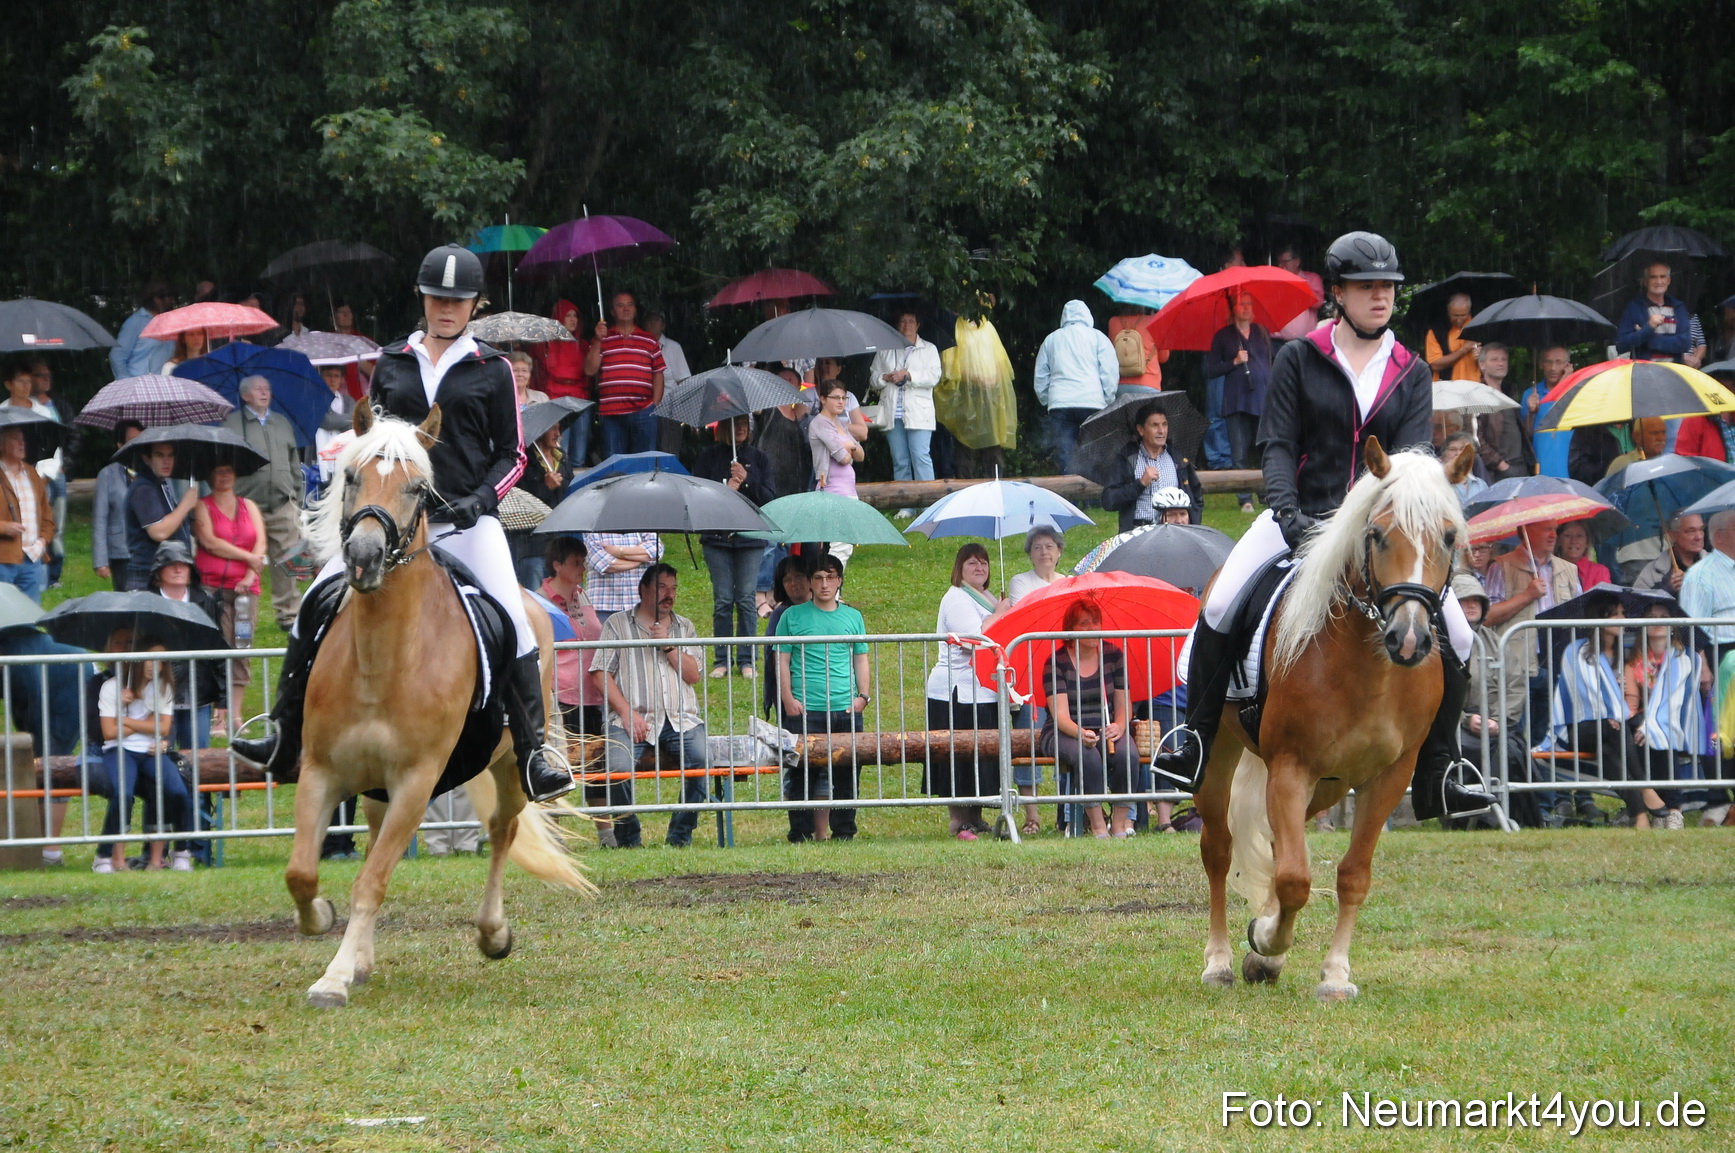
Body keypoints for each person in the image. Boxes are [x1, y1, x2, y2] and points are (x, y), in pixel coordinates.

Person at [1153, 231, 1485, 820]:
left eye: (1387, 287)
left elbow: (1409, 463)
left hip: (1382, 533)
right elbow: (1278, 445)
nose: (1380, 297)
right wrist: (1285, 512)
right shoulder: (1298, 357)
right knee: (1221, 604)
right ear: (1338, 294)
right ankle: (1195, 741)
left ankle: (1443, 769)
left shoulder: (1410, 370)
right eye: (1366, 287)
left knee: (1458, 637)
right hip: (1300, 515)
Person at [233, 244, 576, 805]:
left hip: (464, 520)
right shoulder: (391, 361)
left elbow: (514, 454)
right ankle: (281, 728)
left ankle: (535, 752)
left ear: (473, 306)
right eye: (438, 299)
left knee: (512, 617)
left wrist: (481, 500)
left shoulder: (491, 369)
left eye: (458, 301)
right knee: (318, 596)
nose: (446, 309)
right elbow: (368, 441)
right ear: (423, 299)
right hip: (390, 522)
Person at [590, 563, 709, 848]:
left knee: (703, 763)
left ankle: (680, 835)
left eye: (674, 588)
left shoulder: (685, 627)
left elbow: (693, 674)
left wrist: (668, 646)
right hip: (632, 719)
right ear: (643, 590)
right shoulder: (617, 624)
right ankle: (629, 839)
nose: (670, 595)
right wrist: (626, 713)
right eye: (662, 588)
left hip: (681, 719)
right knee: (618, 770)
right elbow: (599, 674)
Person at [1483, 518, 1585, 816]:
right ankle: (1519, 805)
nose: (1554, 535)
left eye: (1555, 529)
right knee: (1516, 735)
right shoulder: (1500, 566)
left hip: (1555, 665)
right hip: (1517, 669)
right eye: (1546, 529)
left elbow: (1580, 615)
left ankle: (1547, 803)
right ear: (1523, 532)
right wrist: (1526, 596)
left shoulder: (1569, 569)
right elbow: (1486, 616)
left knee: (1550, 737)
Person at [775, 555, 870, 841]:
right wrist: (788, 699)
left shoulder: (853, 617)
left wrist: (863, 696)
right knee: (802, 774)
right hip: (805, 709)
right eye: (818, 577)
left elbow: (861, 659)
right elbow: (781, 661)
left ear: (840, 580)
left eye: (830, 577)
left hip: (845, 707)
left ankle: (844, 831)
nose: (824, 583)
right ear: (811, 582)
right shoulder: (791, 617)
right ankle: (800, 833)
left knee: (848, 773)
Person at [1548, 600, 1657, 827]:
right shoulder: (1575, 650)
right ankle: (1645, 786)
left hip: (1614, 729)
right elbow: (1580, 696)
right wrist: (1607, 710)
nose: (1622, 620)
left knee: (1609, 747)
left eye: (1623, 613)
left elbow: (1628, 700)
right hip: (1578, 727)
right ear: (1598, 619)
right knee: (1609, 725)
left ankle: (1639, 815)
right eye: (1614, 614)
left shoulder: (1624, 654)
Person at [924, 544, 1007, 840]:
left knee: (980, 757)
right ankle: (958, 821)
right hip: (955, 691)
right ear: (959, 568)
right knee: (956, 756)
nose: (979, 568)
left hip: (982, 690)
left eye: (984, 563)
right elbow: (973, 640)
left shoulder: (985, 598)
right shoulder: (957, 598)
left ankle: (976, 817)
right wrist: (999, 614)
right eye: (972, 563)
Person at [1040, 599, 1138, 837]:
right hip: (1064, 730)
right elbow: (1060, 715)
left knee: (1129, 754)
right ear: (1071, 629)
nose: (1093, 628)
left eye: (1096, 622)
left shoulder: (1113, 654)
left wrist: (1120, 725)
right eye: (1084, 623)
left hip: (1106, 726)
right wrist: (1080, 733)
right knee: (1088, 756)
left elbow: (1124, 704)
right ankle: (1097, 826)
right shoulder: (1056, 662)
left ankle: (1119, 824)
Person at [692, 415, 777, 678]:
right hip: (717, 537)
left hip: (750, 537)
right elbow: (697, 496)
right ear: (722, 428)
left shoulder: (759, 458)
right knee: (723, 599)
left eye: (744, 424)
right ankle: (721, 659)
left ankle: (747, 658)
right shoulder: (708, 457)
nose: (741, 428)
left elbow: (770, 499)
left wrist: (747, 480)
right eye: (734, 424)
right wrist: (725, 488)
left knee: (746, 599)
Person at [92, 642, 188, 873]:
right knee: (122, 795)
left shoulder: (163, 687)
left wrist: (124, 720)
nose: (154, 665)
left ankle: (181, 851)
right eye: (149, 658)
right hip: (120, 749)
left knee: (178, 791)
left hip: (150, 751)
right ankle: (104, 856)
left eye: (161, 660)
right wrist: (147, 724)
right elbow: (109, 732)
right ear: (136, 659)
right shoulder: (111, 687)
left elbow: (163, 729)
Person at [539, 537, 610, 841]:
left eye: (583, 562)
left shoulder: (583, 596)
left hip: (591, 695)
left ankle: (607, 835)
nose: (582, 568)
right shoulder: (540, 601)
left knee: (596, 766)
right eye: (575, 563)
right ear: (557, 565)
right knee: (557, 766)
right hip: (560, 696)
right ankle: (554, 838)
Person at [223, 375, 305, 630]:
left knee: (289, 560)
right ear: (245, 395)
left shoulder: (281, 422)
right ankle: (241, 610)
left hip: (282, 504)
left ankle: (289, 615)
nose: (264, 392)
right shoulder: (232, 424)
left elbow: (294, 462)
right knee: (245, 561)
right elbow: (224, 465)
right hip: (247, 506)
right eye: (258, 389)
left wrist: (296, 497)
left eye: (267, 388)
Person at [192, 461, 267, 726]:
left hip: (246, 590)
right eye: (218, 470)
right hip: (214, 588)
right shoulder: (202, 506)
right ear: (209, 475)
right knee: (218, 646)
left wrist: (250, 574)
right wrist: (248, 557)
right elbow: (210, 542)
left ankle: (235, 714)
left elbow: (260, 541)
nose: (224, 475)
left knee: (242, 646)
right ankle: (218, 714)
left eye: (228, 470)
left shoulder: (249, 506)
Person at [1624, 602, 1708, 830]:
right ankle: (1658, 805)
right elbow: (1632, 704)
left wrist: (1651, 724)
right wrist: (1639, 721)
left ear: (1673, 625)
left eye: (1663, 616)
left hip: (1679, 717)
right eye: (1651, 616)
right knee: (1637, 728)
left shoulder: (1684, 657)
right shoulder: (1634, 661)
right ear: (1643, 624)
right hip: (1646, 720)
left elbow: (1676, 702)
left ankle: (1672, 809)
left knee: (1660, 729)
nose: (1657, 620)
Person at [147, 540, 225, 756]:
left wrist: (223, 699)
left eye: (184, 563)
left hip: (198, 694)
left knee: (199, 758)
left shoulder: (207, 601)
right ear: (158, 571)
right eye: (171, 564)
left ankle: (199, 792)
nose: (178, 569)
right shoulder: (145, 603)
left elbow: (218, 649)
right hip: (157, 695)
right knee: (161, 758)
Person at [1205, 291, 1273, 511]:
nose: (1247, 308)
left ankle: (1267, 493)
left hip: (1262, 398)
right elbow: (1211, 370)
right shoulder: (1223, 336)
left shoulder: (1262, 332)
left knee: (1265, 448)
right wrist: (1234, 361)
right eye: (1242, 304)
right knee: (1240, 451)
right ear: (1233, 309)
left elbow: (1268, 363)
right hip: (1236, 400)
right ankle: (1245, 498)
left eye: (1249, 304)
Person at [1033, 300, 1118, 475]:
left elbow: (1041, 376)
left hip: (1061, 404)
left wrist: (1047, 400)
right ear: (1088, 316)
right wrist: (1108, 399)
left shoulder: (1051, 339)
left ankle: (1068, 499)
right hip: (1093, 403)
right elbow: (1109, 371)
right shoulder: (1098, 337)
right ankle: (1092, 499)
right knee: (1092, 453)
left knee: (1065, 454)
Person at [1098, 399, 1204, 531]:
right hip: (1137, 531)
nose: (1161, 431)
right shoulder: (1127, 458)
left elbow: (1196, 496)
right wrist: (1140, 484)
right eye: (1155, 425)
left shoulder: (1177, 458)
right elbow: (1109, 501)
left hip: (1173, 533)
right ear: (1141, 430)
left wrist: (1194, 523)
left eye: (1164, 425)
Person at [868, 311, 943, 494]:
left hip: (919, 412)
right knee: (900, 459)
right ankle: (905, 503)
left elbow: (934, 377)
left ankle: (927, 503)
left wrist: (909, 375)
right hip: (893, 412)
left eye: (911, 321)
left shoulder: (929, 349)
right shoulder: (885, 349)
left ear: (918, 325)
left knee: (920, 456)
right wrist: (886, 377)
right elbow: (873, 378)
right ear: (897, 325)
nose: (906, 325)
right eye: (903, 321)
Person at [584, 291, 666, 457]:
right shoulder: (603, 339)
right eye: (620, 305)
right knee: (614, 466)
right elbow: (589, 370)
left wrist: (654, 405)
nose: (626, 309)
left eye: (630, 304)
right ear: (613, 312)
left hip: (644, 411)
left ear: (635, 310)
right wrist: (598, 340)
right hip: (611, 412)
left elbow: (658, 373)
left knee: (645, 464)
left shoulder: (649, 340)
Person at [123, 441, 198, 588]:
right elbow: (159, 531)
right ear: (147, 459)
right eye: (159, 455)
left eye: (171, 455)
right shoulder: (144, 488)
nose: (166, 461)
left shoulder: (161, 484)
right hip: (148, 576)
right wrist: (185, 505)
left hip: (166, 572)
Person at [531, 300, 594, 468]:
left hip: (580, 402)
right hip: (556, 402)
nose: (573, 319)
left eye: (576, 316)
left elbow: (590, 371)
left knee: (579, 456)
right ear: (559, 318)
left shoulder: (583, 345)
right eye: (568, 315)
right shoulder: (546, 344)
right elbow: (553, 370)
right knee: (559, 450)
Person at [0, 425, 53, 602]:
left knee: (29, 619)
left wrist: (42, 541)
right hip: (3, 559)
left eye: (23, 439)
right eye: (15, 438)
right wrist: (3, 527)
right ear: (1, 445)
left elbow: (47, 516)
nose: (22, 443)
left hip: (32, 557)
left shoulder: (31, 473)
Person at [93, 420, 144, 591]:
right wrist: (100, 560)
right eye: (131, 441)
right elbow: (100, 519)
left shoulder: (153, 472)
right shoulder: (107, 475)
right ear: (120, 445)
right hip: (121, 551)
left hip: (149, 548)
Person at [1473, 344, 1531, 481]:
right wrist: (1500, 464)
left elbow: (1522, 433)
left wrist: (1532, 412)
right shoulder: (1477, 396)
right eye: (1494, 359)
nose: (1500, 363)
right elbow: (1476, 438)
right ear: (1482, 365)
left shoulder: (1510, 393)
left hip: (1520, 466)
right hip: (1497, 471)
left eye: (1504, 359)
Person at [1615, 262, 1694, 361]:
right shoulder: (1633, 308)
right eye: (1653, 277)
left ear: (1669, 280)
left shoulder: (1678, 307)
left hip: (1674, 372)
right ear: (1645, 281)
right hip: (1645, 372)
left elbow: (1685, 344)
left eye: (1662, 276)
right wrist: (1649, 327)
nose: (1658, 281)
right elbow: (1621, 345)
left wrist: (1649, 339)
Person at [1680, 509, 1735, 650]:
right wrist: (1703, 668)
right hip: (1724, 656)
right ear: (1720, 536)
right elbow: (1692, 632)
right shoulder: (1700, 575)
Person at [1520, 345, 1574, 478]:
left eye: (1558, 362)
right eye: (1548, 362)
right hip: (1541, 467)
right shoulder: (1530, 395)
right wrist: (1531, 413)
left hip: (1573, 464)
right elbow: (1524, 437)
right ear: (1541, 365)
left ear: (1568, 365)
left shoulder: (1576, 392)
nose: (1553, 368)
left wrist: (1563, 385)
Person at [584, 531, 663, 620]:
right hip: (603, 607)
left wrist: (617, 551)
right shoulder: (594, 529)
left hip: (640, 605)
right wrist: (640, 558)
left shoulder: (642, 522)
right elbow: (605, 564)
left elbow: (657, 550)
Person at [809, 378, 864, 501]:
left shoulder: (840, 424)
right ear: (823, 399)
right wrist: (850, 447)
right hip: (831, 490)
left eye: (843, 398)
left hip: (849, 489)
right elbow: (843, 458)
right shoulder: (820, 423)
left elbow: (860, 456)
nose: (841, 402)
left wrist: (850, 446)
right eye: (835, 398)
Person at [110, 281, 176, 379]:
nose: (173, 302)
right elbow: (117, 356)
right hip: (140, 384)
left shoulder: (170, 321)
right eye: (170, 298)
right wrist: (127, 384)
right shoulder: (136, 322)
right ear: (157, 299)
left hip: (165, 384)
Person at [1633, 512, 1705, 593]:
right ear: (1673, 535)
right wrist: (1668, 588)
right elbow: (1636, 603)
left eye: (1701, 529)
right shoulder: (1652, 572)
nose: (1699, 537)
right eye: (1691, 531)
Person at [1106, 304, 1169, 394]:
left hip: (1121, 384)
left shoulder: (1113, 322)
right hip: (1149, 383)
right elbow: (1164, 357)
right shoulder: (1153, 321)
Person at [1272, 244, 1326, 342]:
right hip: (1276, 342)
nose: (1281, 266)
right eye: (1279, 262)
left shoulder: (1312, 278)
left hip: (1304, 341)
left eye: (1285, 262)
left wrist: (1294, 284)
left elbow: (1318, 302)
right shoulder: (1273, 281)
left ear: (1297, 261)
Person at [1424, 293, 1481, 381]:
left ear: (1469, 312)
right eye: (1455, 315)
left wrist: (1483, 355)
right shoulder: (1436, 332)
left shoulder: (1479, 326)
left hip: (1475, 385)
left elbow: (1493, 359)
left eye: (1463, 315)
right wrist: (1464, 349)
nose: (1459, 319)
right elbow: (1435, 365)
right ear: (1448, 312)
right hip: (1446, 387)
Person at [1007, 525, 1064, 605]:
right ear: (1030, 553)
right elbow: (1021, 614)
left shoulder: (1068, 582)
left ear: (1059, 552)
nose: (1044, 552)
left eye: (1049, 547)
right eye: (1037, 547)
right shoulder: (1020, 582)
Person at [1554, 521, 1611, 590]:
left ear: (1587, 542)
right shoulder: (1550, 569)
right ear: (1559, 540)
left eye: (1579, 536)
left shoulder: (1599, 571)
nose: (1573, 541)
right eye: (1567, 535)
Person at [1440, 432, 1488, 508]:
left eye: (1463, 449)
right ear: (1444, 455)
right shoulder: (1437, 482)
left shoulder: (1480, 484)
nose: (1458, 453)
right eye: (1453, 449)